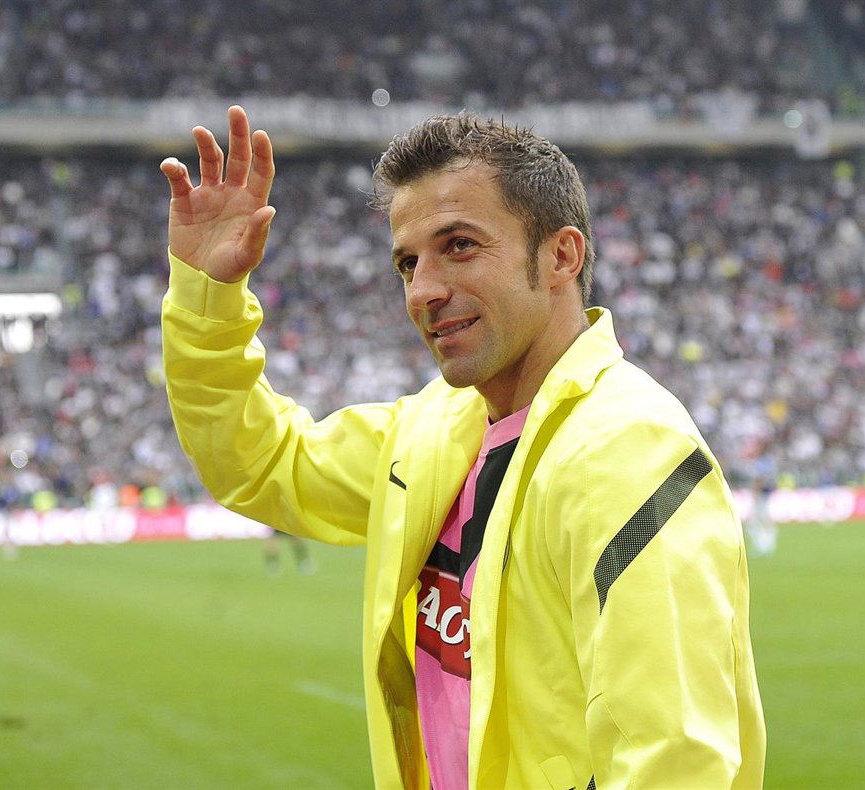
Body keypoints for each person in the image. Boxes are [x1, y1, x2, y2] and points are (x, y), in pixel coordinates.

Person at [160, 106, 765, 789]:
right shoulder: (433, 430)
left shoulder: (627, 453)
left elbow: (674, 761)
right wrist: (208, 297)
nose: (423, 290)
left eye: (460, 246)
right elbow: (264, 463)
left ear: (561, 256)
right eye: (407, 263)